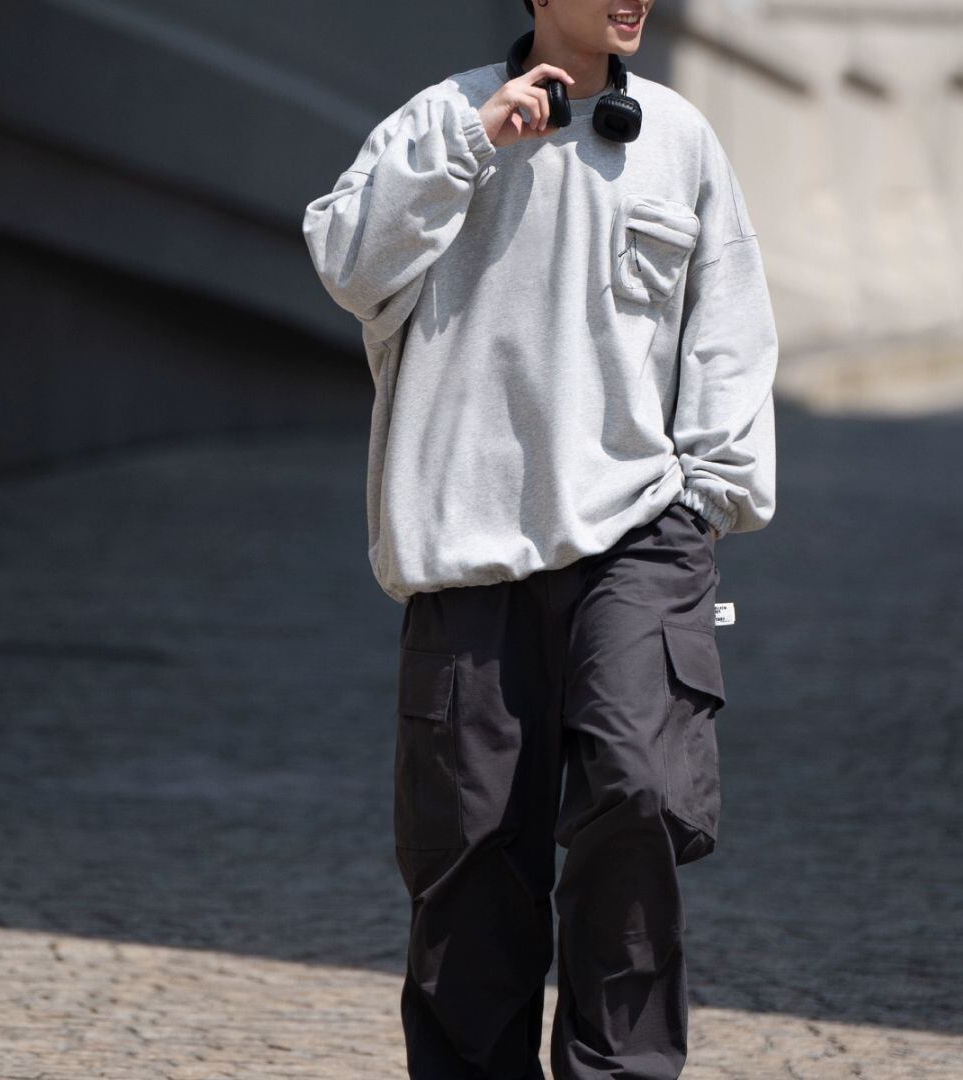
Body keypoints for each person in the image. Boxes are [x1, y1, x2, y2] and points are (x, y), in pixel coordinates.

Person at [302, 0, 778, 1075]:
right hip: (468, 549)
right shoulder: (443, 117)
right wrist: (472, 145)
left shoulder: (679, 137)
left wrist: (707, 498)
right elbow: (348, 264)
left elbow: (731, 331)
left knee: (640, 793)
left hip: (641, 534)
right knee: (470, 852)